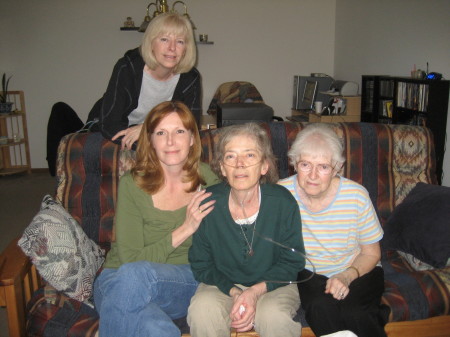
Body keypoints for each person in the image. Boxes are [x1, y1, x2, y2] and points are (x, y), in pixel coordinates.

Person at [93, 101, 220, 337]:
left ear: (192, 138)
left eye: (179, 131)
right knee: (159, 330)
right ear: (150, 140)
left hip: (182, 280)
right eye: (161, 133)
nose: (170, 141)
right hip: (118, 278)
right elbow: (130, 261)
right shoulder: (133, 184)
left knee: (137, 276)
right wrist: (186, 228)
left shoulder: (208, 182)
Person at [187, 123, 305, 337]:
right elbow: (201, 264)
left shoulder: (283, 203)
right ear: (222, 168)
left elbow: (292, 261)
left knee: (273, 315)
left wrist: (255, 291)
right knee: (202, 310)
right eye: (230, 157)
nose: (239, 164)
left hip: (274, 284)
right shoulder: (207, 203)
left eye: (250, 155)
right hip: (222, 284)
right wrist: (235, 291)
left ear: (264, 166)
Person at [46, 12, 200, 175]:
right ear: (151, 43)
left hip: (144, 128)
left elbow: (190, 125)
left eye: (180, 41)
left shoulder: (191, 78)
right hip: (102, 121)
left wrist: (148, 128)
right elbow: (110, 124)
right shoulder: (128, 67)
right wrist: (150, 135)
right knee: (65, 123)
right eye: (164, 39)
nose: (172, 48)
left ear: (186, 49)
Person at [278, 123, 387, 337]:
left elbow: (372, 253)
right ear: (294, 164)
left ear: (337, 167)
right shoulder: (282, 193)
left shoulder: (356, 196)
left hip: (358, 268)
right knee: (320, 307)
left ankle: (376, 313)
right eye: (305, 164)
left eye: (323, 167)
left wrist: (347, 276)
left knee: (355, 312)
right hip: (310, 272)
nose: (313, 175)